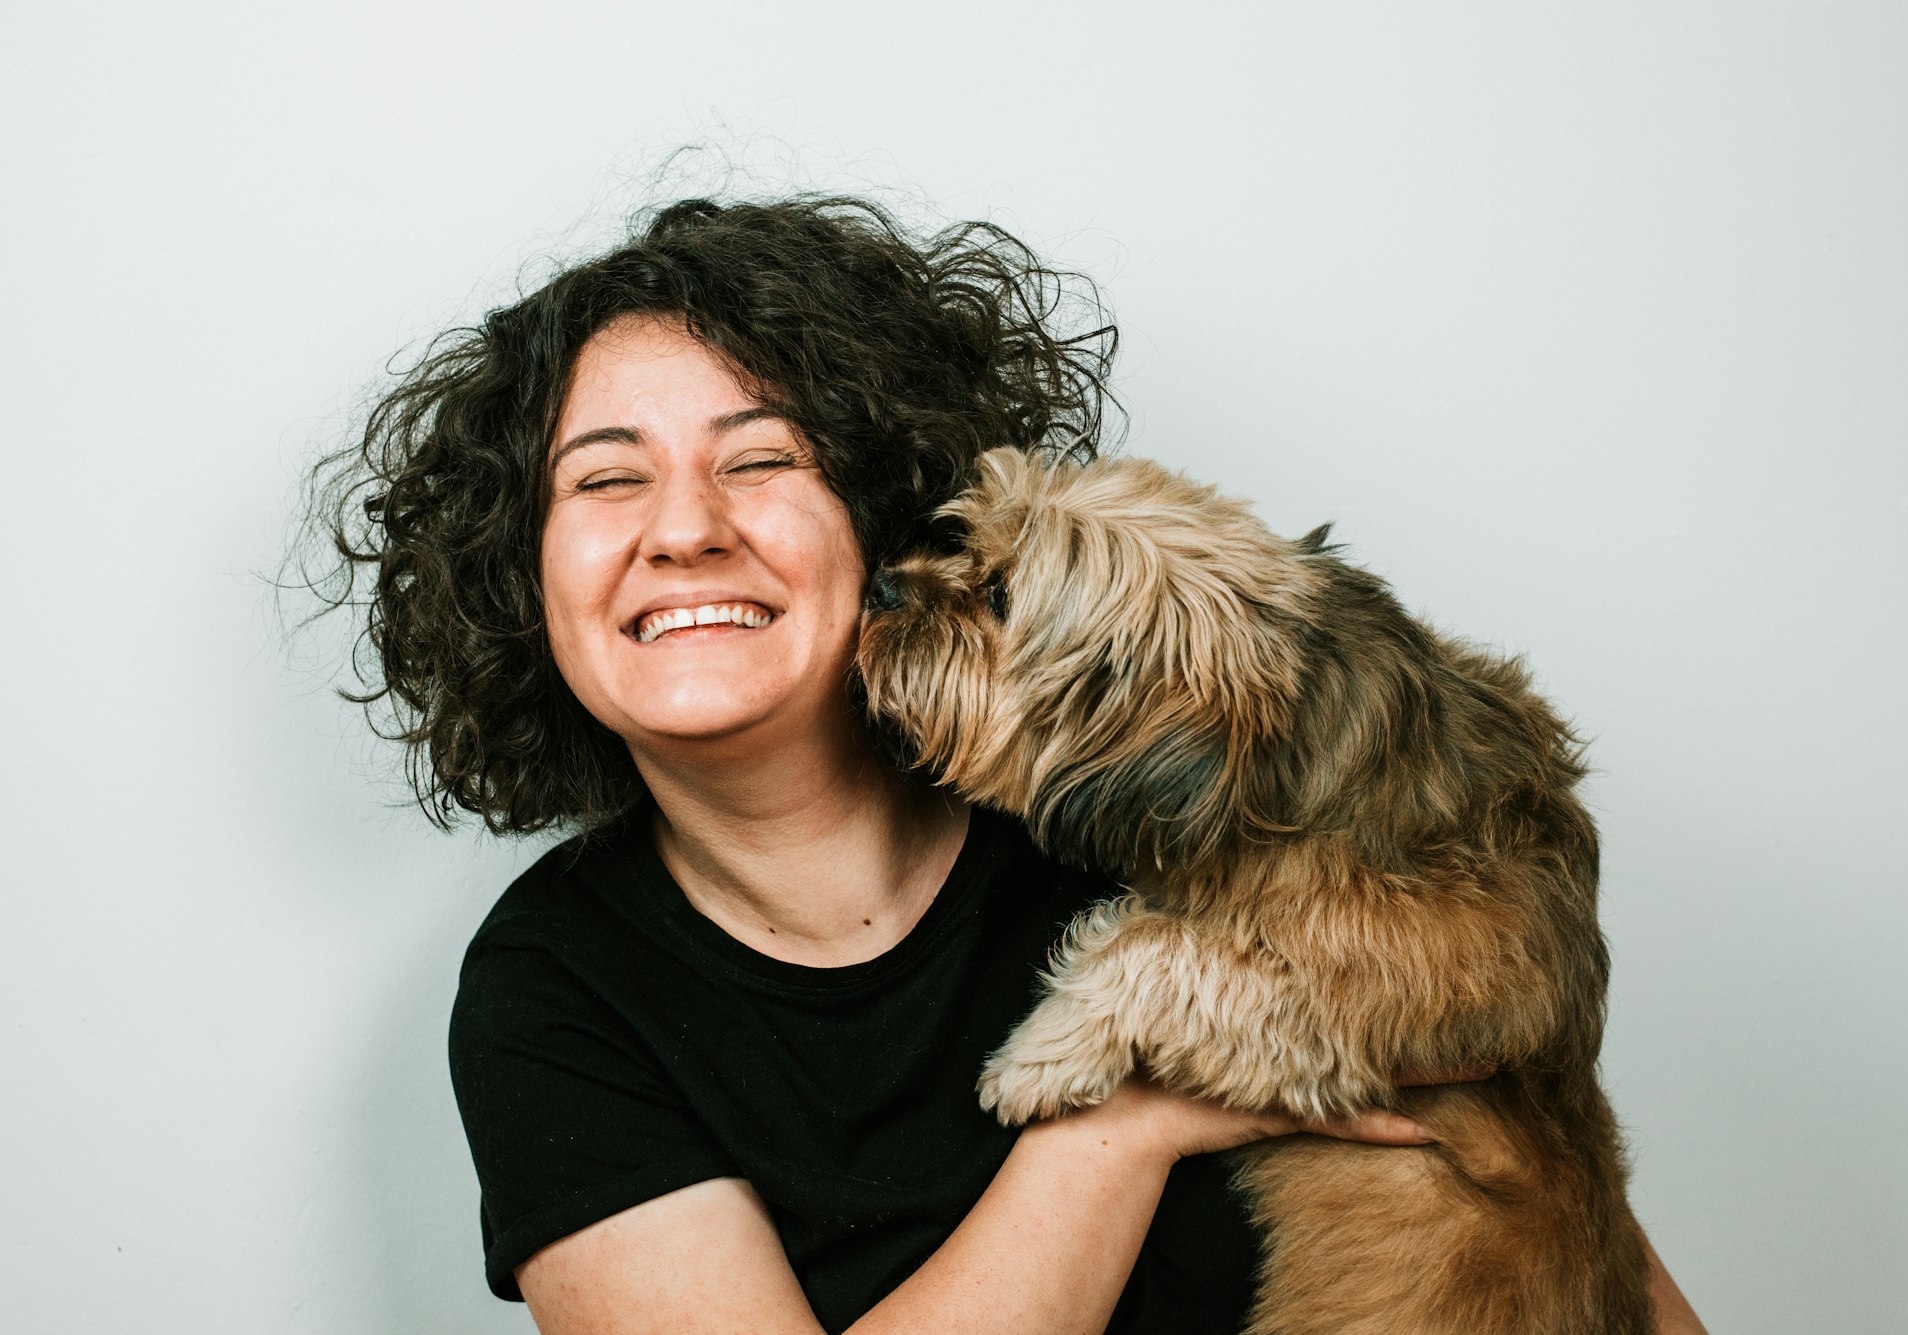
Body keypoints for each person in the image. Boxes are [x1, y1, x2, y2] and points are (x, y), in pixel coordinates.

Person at [315, 194, 1705, 1333]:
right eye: (606, 479)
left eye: (760, 461)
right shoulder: (555, 992)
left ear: (878, 514)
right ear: (520, 578)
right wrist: (1123, 1129)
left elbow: (1568, 1233)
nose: (683, 530)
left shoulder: (1153, 791)